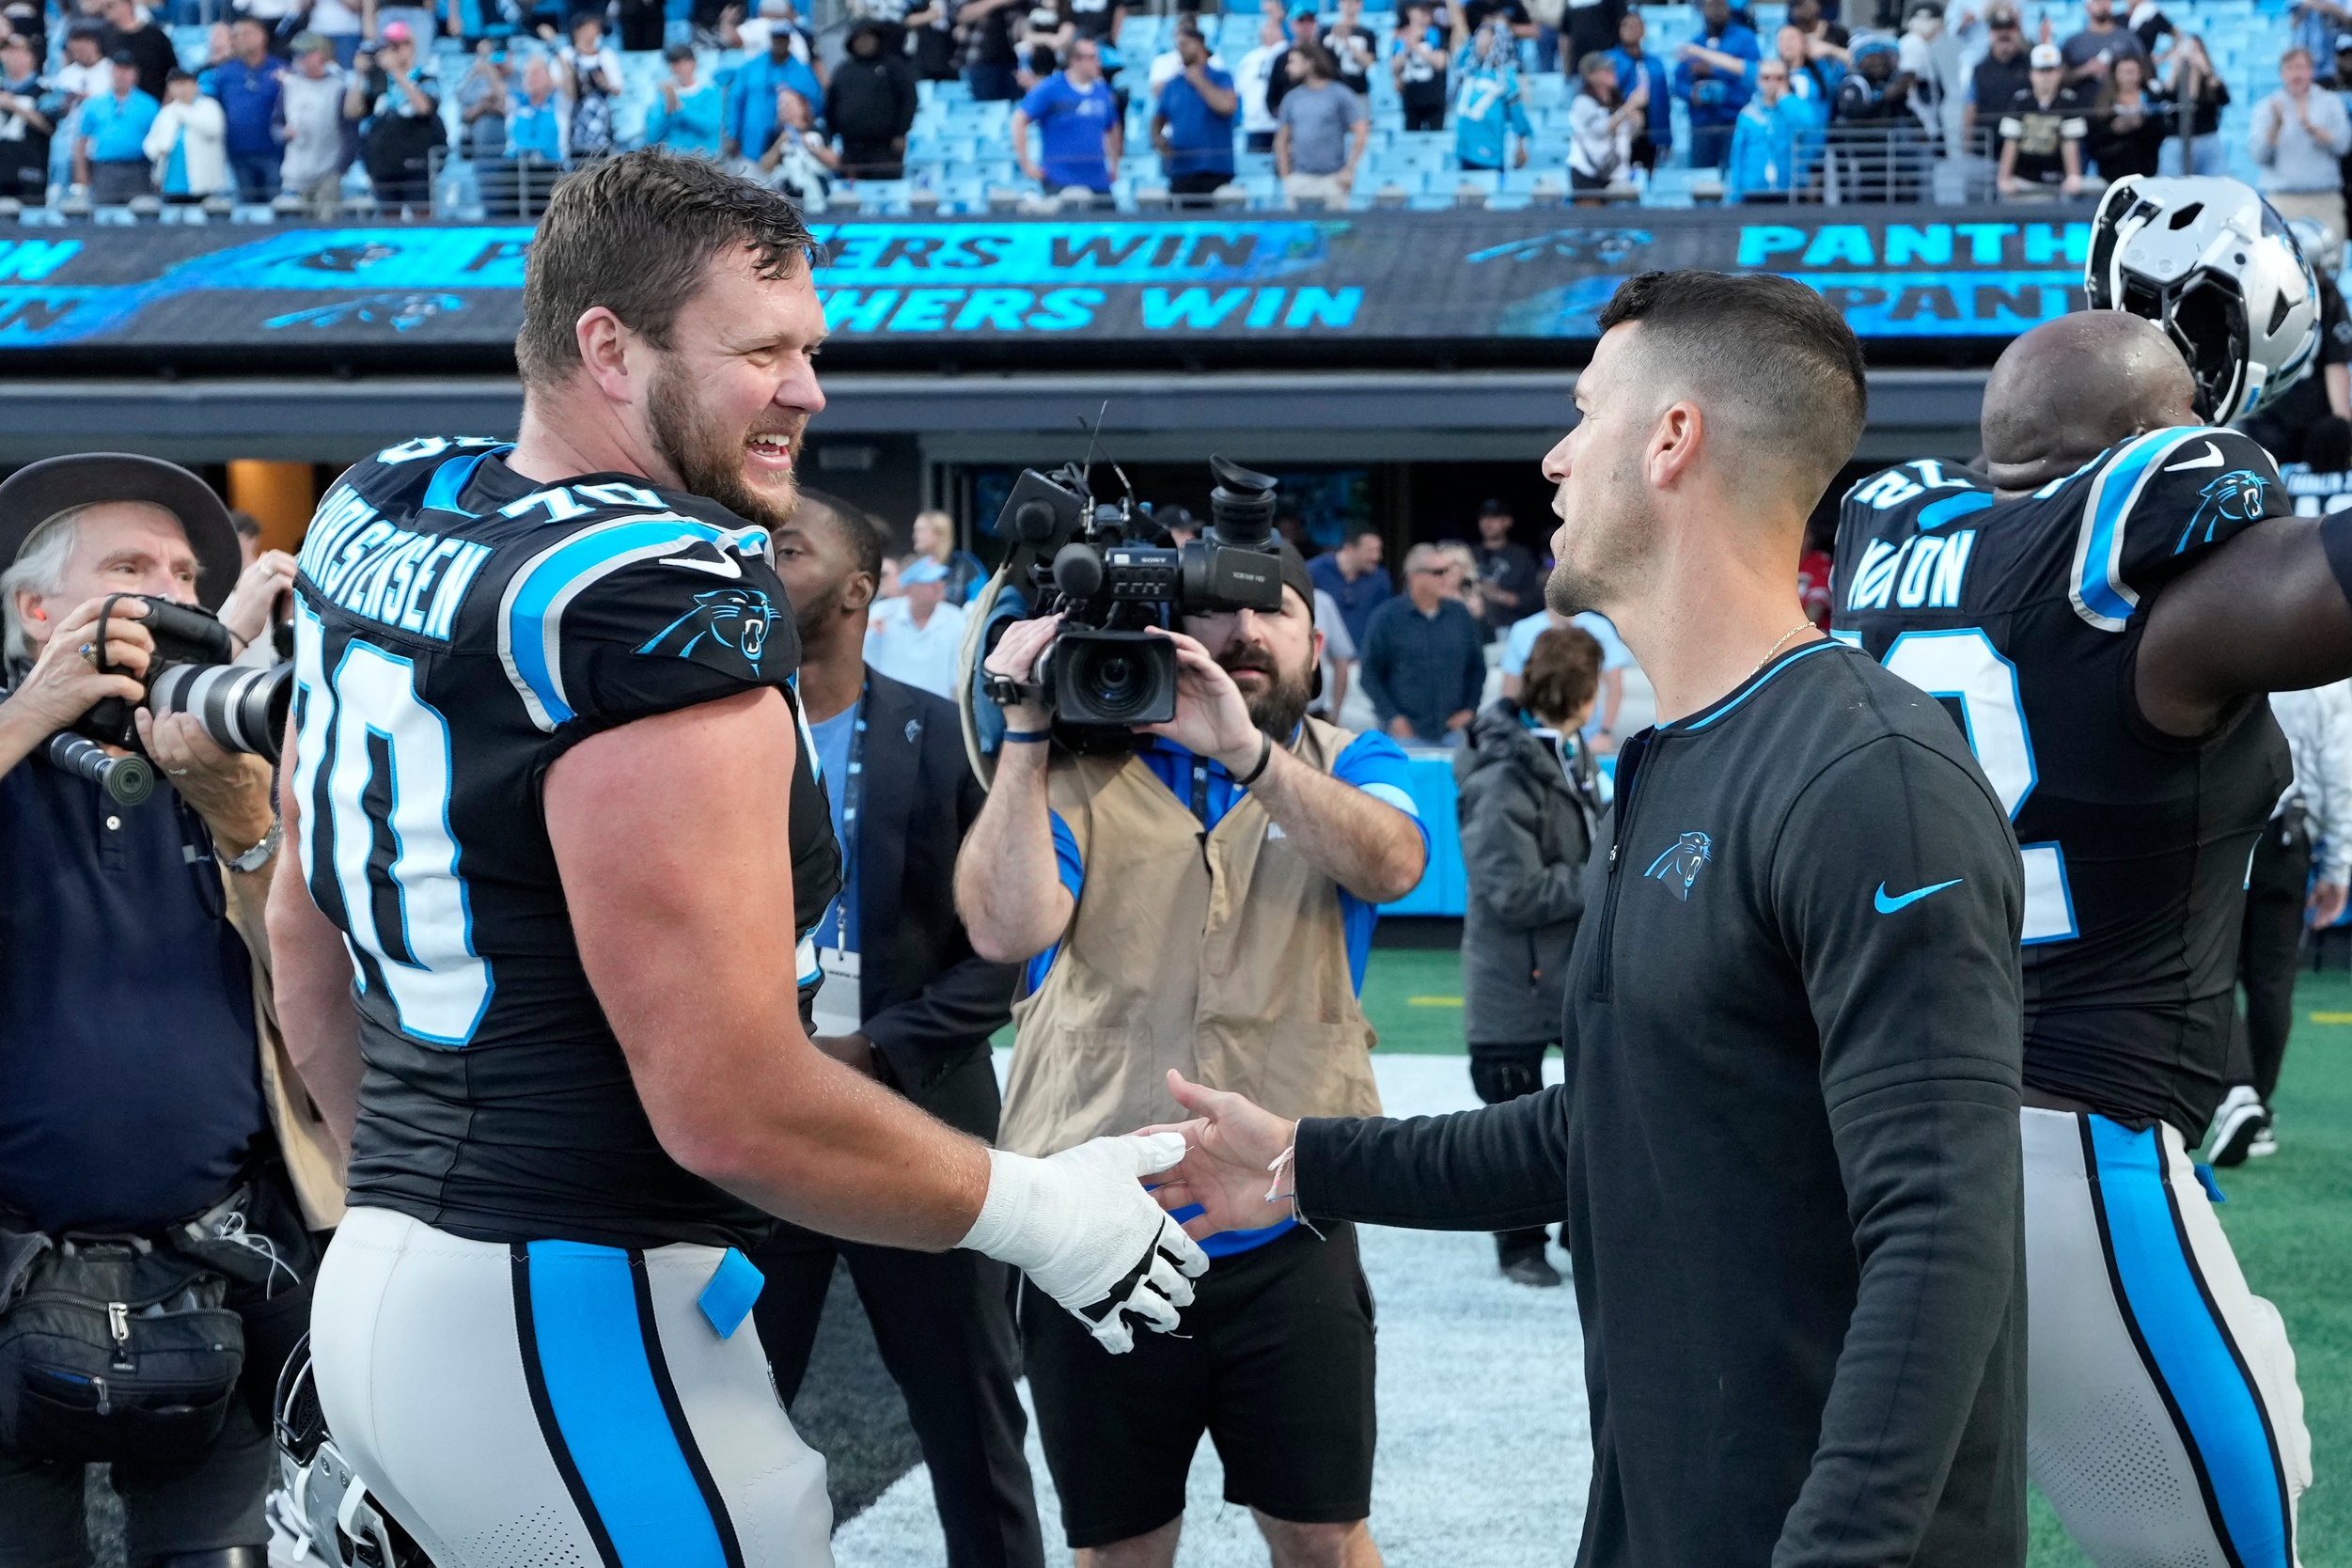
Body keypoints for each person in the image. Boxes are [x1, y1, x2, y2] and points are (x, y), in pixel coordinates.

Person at [274, 150, 1209, 1566]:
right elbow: (725, 1104)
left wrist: (411, 1205)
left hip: (414, 1287)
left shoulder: (393, 502)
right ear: (607, 347)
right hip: (568, 1310)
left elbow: (301, 927)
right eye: (760, 352)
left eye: (810, 349)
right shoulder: (651, 595)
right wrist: (1042, 1216)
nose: (808, 391)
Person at [1152, 270, 2031, 1567]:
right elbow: (1614, 1121)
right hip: (1661, 1509)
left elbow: (1942, 1232)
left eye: (1581, 412)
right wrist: (1300, 1160)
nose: (1554, 457)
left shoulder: (1866, 780)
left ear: (1672, 437)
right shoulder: (1675, 757)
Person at [1833, 303, 2341, 1568]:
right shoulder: (2166, 603)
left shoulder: (1903, 555)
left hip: (1877, 1131)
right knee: (2231, 1539)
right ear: (2138, 442)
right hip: (2070, 1152)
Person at [958, 537, 1427, 1568]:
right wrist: (1026, 729)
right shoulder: (1071, 773)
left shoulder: (1354, 763)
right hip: (1100, 1232)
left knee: (1324, 1536)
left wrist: (1247, 754)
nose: (1245, 633)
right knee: (1119, 1548)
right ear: (1164, 627)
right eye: (1213, 610)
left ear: (1318, 643)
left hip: (1289, 1221)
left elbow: (1392, 864)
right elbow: (1006, 929)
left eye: (1275, 613)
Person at [0, 453, 343, 1568]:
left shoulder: (231, 750)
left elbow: (337, 986)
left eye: (186, 575)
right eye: (129, 568)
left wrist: (245, 812)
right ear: (35, 608)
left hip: (225, 1266)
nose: (167, 595)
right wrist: (31, 717)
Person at [753, 489, 1045, 1568]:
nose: (757, 563)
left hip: (920, 1124)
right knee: (730, 1417)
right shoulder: (708, 738)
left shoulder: (937, 741)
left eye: (784, 548)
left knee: (969, 1414)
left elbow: (1001, 951)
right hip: (758, 1130)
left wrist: (880, 1049)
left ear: (858, 591)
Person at [1451, 623, 1604, 1289]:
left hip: (1566, 972)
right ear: (1584, 691)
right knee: (1514, 1122)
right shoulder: (1505, 771)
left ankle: (1579, 1225)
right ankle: (1518, 1244)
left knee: (1599, 1102)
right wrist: (1603, 876)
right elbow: (1511, 891)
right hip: (1517, 979)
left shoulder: (1569, 754)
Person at [2206, 681, 2352, 1168]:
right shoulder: (2327, 669)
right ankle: (2257, 1109)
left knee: (2208, 962)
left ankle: (2236, 1092)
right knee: (2271, 981)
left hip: (2221, 825)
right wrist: (2337, 867)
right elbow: (2339, 772)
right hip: (2287, 837)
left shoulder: (2227, 636)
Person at [1359, 542, 1485, 745]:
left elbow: (1477, 668)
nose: (1446, 577)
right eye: (1439, 572)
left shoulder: (1461, 615)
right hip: (1405, 734)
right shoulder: (1386, 618)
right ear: (1414, 576)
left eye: (1447, 571)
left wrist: (1470, 710)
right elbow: (1369, 674)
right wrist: (1394, 718)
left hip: (1454, 732)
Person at [2253, 46, 2351, 240]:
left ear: (2311, 71)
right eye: (2290, 68)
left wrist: (2311, 127)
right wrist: (2276, 126)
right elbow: (2258, 155)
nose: (2296, 74)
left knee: (2329, 265)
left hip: (2324, 198)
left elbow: (2343, 145)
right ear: (2282, 73)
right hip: (2282, 199)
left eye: (2300, 67)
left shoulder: (2330, 102)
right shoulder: (2268, 106)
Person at [1500, 603, 1630, 748]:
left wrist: (1605, 732)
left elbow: (1615, 687)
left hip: (1589, 738)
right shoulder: (1522, 630)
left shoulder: (1600, 628)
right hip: (1534, 736)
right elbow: (1510, 692)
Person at [347, 24, 440, 212]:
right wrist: (359, 76)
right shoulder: (377, 81)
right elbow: (352, 111)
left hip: (416, 163)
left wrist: (396, 72)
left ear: (411, 47)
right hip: (382, 164)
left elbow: (424, 108)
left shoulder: (425, 76)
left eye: (398, 46)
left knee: (422, 218)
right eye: (389, 46)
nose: (393, 51)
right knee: (389, 219)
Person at [1013, 37, 1118, 196]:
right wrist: (1026, 164)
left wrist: (1115, 164)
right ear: (1075, 61)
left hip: (1098, 179)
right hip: (1060, 179)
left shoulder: (1102, 91)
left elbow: (1112, 127)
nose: (1098, 62)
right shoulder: (1051, 89)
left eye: (1097, 57)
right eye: (1091, 57)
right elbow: (1019, 120)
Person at [201, 16, 283, 204]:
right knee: (247, 210)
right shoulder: (225, 72)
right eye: (236, 35)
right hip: (237, 152)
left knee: (277, 208)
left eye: (246, 34)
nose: (240, 39)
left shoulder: (280, 69)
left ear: (262, 36)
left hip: (273, 152)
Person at [1152, 19, 1235, 205]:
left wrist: (1199, 81)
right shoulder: (1173, 84)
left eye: (1184, 44)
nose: (1180, 49)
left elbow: (1227, 106)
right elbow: (1158, 117)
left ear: (1199, 45)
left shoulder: (1221, 77)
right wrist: (1158, 138)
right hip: (1181, 169)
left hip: (1214, 169)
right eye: (1178, 45)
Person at [1274, 42, 1365, 209]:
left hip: (1333, 179)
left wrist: (1349, 169)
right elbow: (1281, 140)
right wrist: (1287, 178)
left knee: (1336, 232)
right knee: (1301, 233)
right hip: (1300, 179)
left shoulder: (1339, 94)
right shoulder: (1291, 98)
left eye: (1293, 62)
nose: (1288, 68)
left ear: (1309, 63)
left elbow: (1361, 130)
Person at [721, 19, 824, 166]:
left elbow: (815, 104)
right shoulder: (752, 68)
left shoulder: (802, 72)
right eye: (777, 38)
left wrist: (802, 128)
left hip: (788, 150)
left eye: (784, 38)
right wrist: (733, 134)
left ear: (790, 40)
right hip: (751, 144)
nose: (780, 42)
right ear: (770, 39)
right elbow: (735, 101)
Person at [864, 554, 967, 698]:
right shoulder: (881, 614)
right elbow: (866, 665)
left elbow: (958, 679)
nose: (939, 585)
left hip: (938, 710)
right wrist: (865, 630)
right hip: (891, 706)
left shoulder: (956, 619)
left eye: (940, 579)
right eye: (929, 582)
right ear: (909, 588)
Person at [1671, 0, 1758, 169]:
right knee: (1702, 180)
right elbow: (1678, 82)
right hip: (1703, 123)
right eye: (1711, 4)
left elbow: (1753, 73)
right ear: (1702, 9)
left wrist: (1713, 70)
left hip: (1735, 120)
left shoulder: (1744, 38)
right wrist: (1691, 94)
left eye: (1721, 4)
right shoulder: (1695, 42)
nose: (1717, 10)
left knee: (1734, 173)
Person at [827, 19, 918, 178]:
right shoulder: (843, 70)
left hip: (885, 148)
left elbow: (909, 99)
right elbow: (831, 104)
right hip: (851, 149)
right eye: (859, 38)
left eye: (868, 38)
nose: (864, 42)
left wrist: (900, 133)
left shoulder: (893, 67)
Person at [1998, 43, 2087, 197]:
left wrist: (2073, 176)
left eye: (2050, 71)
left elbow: (2070, 143)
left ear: (2059, 73)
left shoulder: (2069, 102)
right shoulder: (2020, 102)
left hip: (2056, 182)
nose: (2045, 77)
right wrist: (2004, 177)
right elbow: (2011, 142)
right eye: (2041, 71)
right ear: (2031, 73)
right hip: (2022, 180)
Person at [277, 32, 347, 213]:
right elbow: (275, 124)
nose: (300, 59)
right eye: (297, 54)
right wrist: (283, 133)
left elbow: (349, 133)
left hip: (327, 173)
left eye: (305, 53)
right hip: (295, 173)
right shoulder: (290, 85)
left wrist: (338, 170)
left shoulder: (338, 88)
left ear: (320, 54)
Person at [76, 51, 158, 203]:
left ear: (135, 74)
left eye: (127, 70)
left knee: (140, 216)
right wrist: (81, 174)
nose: (122, 75)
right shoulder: (94, 104)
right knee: (103, 217)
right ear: (112, 73)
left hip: (138, 169)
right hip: (105, 170)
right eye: (118, 70)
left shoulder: (149, 105)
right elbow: (81, 141)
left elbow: (159, 140)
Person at [1728, 53, 1811, 198]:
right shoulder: (1747, 114)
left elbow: (1809, 126)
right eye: (1766, 78)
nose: (1772, 83)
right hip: (1753, 190)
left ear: (1787, 80)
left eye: (1779, 78)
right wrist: (1734, 195)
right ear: (1758, 81)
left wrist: (1785, 99)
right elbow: (1737, 156)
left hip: (1790, 190)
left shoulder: (1795, 108)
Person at [1452, 21, 1530, 174]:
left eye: (1486, 36)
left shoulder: (1505, 76)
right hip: (1465, 147)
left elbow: (1517, 114)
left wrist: (1521, 143)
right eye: (1479, 36)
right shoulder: (1468, 72)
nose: (1480, 41)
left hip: (1492, 149)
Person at [145, 68, 227, 201]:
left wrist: (182, 111)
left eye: (184, 84)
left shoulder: (209, 107)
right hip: (170, 185)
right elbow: (150, 142)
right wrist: (158, 150)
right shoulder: (167, 112)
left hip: (203, 186)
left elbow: (214, 129)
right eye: (176, 85)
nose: (181, 89)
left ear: (194, 84)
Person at [1603, 9, 1672, 169]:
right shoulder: (1609, 61)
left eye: (1636, 25)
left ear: (1644, 30)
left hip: (1652, 132)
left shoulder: (1656, 63)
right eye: (1626, 25)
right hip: (1623, 131)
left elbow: (1664, 101)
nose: (1631, 30)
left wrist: (1666, 138)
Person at [1308, 524, 1390, 650]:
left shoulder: (1380, 579)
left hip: (1364, 660)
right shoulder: (1314, 571)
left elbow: (1385, 621)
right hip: (1325, 659)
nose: (1376, 557)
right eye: (1370, 551)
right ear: (1349, 549)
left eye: (1378, 550)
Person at [1566, 50, 1636, 199]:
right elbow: (1601, 129)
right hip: (1587, 174)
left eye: (1611, 69)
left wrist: (1636, 116)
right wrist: (1628, 109)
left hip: (1617, 173)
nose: (1611, 72)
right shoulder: (1582, 103)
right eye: (1605, 70)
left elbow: (1633, 131)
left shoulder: (1617, 102)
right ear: (1591, 75)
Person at [2158, 33, 2229, 175]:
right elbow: (2162, 103)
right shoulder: (2173, 82)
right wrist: (2174, 69)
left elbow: (2224, 99)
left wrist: (2206, 70)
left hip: (2206, 140)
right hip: (2176, 142)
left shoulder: (2209, 82)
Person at [2088, 52, 2168, 178]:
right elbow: (2093, 138)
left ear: (2140, 73)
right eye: (2123, 72)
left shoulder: (2152, 100)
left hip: (2146, 169)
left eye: (2131, 72)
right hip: (2110, 171)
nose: (2128, 77)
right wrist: (2114, 129)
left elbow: (2162, 132)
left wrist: (2142, 124)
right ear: (2115, 74)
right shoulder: (2101, 103)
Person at [555, 12, 619, 162]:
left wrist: (604, 83)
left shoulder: (606, 55)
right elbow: (563, 89)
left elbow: (617, 88)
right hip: (576, 122)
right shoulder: (566, 55)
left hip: (601, 122)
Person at [1469, 500, 1538, 637]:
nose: (1488, 522)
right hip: (1474, 629)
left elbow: (1535, 598)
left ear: (1507, 521)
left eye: (1494, 517)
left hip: (1511, 629)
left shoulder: (1521, 556)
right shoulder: (1469, 553)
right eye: (1483, 517)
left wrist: (1501, 596)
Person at [758, 86, 839, 201]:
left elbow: (834, 162)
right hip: (785, 197)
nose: (784, 108)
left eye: (789, 103)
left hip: (819, 195)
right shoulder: (774, 133)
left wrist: (810, 146)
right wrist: (780, 143)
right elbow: (765, 166)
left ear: (802, 106)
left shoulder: (818, 130)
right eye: (781, 104)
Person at [1965, 1, 2030, 141]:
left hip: (2024, 147)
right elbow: (1970, 109)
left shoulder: (2031, 66)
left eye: (2009, 28)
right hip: (1988, 146)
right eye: (1998, 28)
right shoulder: (1979, 70)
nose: (2003, 33)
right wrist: (1968, 147)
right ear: (1990, 33)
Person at [0, 35, 54, 206]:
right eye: (7, 51)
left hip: (30, 173)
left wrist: (14, 106)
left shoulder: (43, 91)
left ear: (30, 56)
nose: (10, 56)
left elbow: (49, 125)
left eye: (16, 51)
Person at [643, 41, 723, 157]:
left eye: (683, 62)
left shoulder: (710, 92)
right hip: (673, 162)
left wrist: (680, 109)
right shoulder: (663, 95)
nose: (678, 68)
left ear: (693, 63)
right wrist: (667, 111)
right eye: (674, 63)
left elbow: (709, 127)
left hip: (704, 162)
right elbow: (652, 137)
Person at [2062, 0, 2150, 87]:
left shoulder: (2128, 39)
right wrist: (2085, 70)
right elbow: (2059, 79)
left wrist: (2119, 72)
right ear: (2086, 7)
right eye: (2097, 1)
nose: (2103, 5)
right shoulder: (2073, 43)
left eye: (2107, 1)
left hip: (2118, 98)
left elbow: (2146, 71)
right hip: (2081, 97)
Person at [101, 0, 174, 103]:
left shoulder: (156, 36)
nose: (106, 10)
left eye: (110, 6)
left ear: (127, 5)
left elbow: (172, 73)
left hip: (155, 104)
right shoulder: (105, 36)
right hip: (114, 108)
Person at [1389, 2, 1448, 133]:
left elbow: (1440, 63)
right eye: (1419, 10)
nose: (1423, 14)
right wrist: (1406, 47)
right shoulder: (1400, 36)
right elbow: (1394, 67)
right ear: (1409, 12)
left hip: (1434, 98)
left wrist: (1417, 46)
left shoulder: (1436, 33)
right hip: (1411, 99)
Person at [911, 506, 985, 604]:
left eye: (920, 530)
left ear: (940, 533)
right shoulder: (916, 567)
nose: (915, 536)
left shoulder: (966, 565)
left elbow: (981, 599)